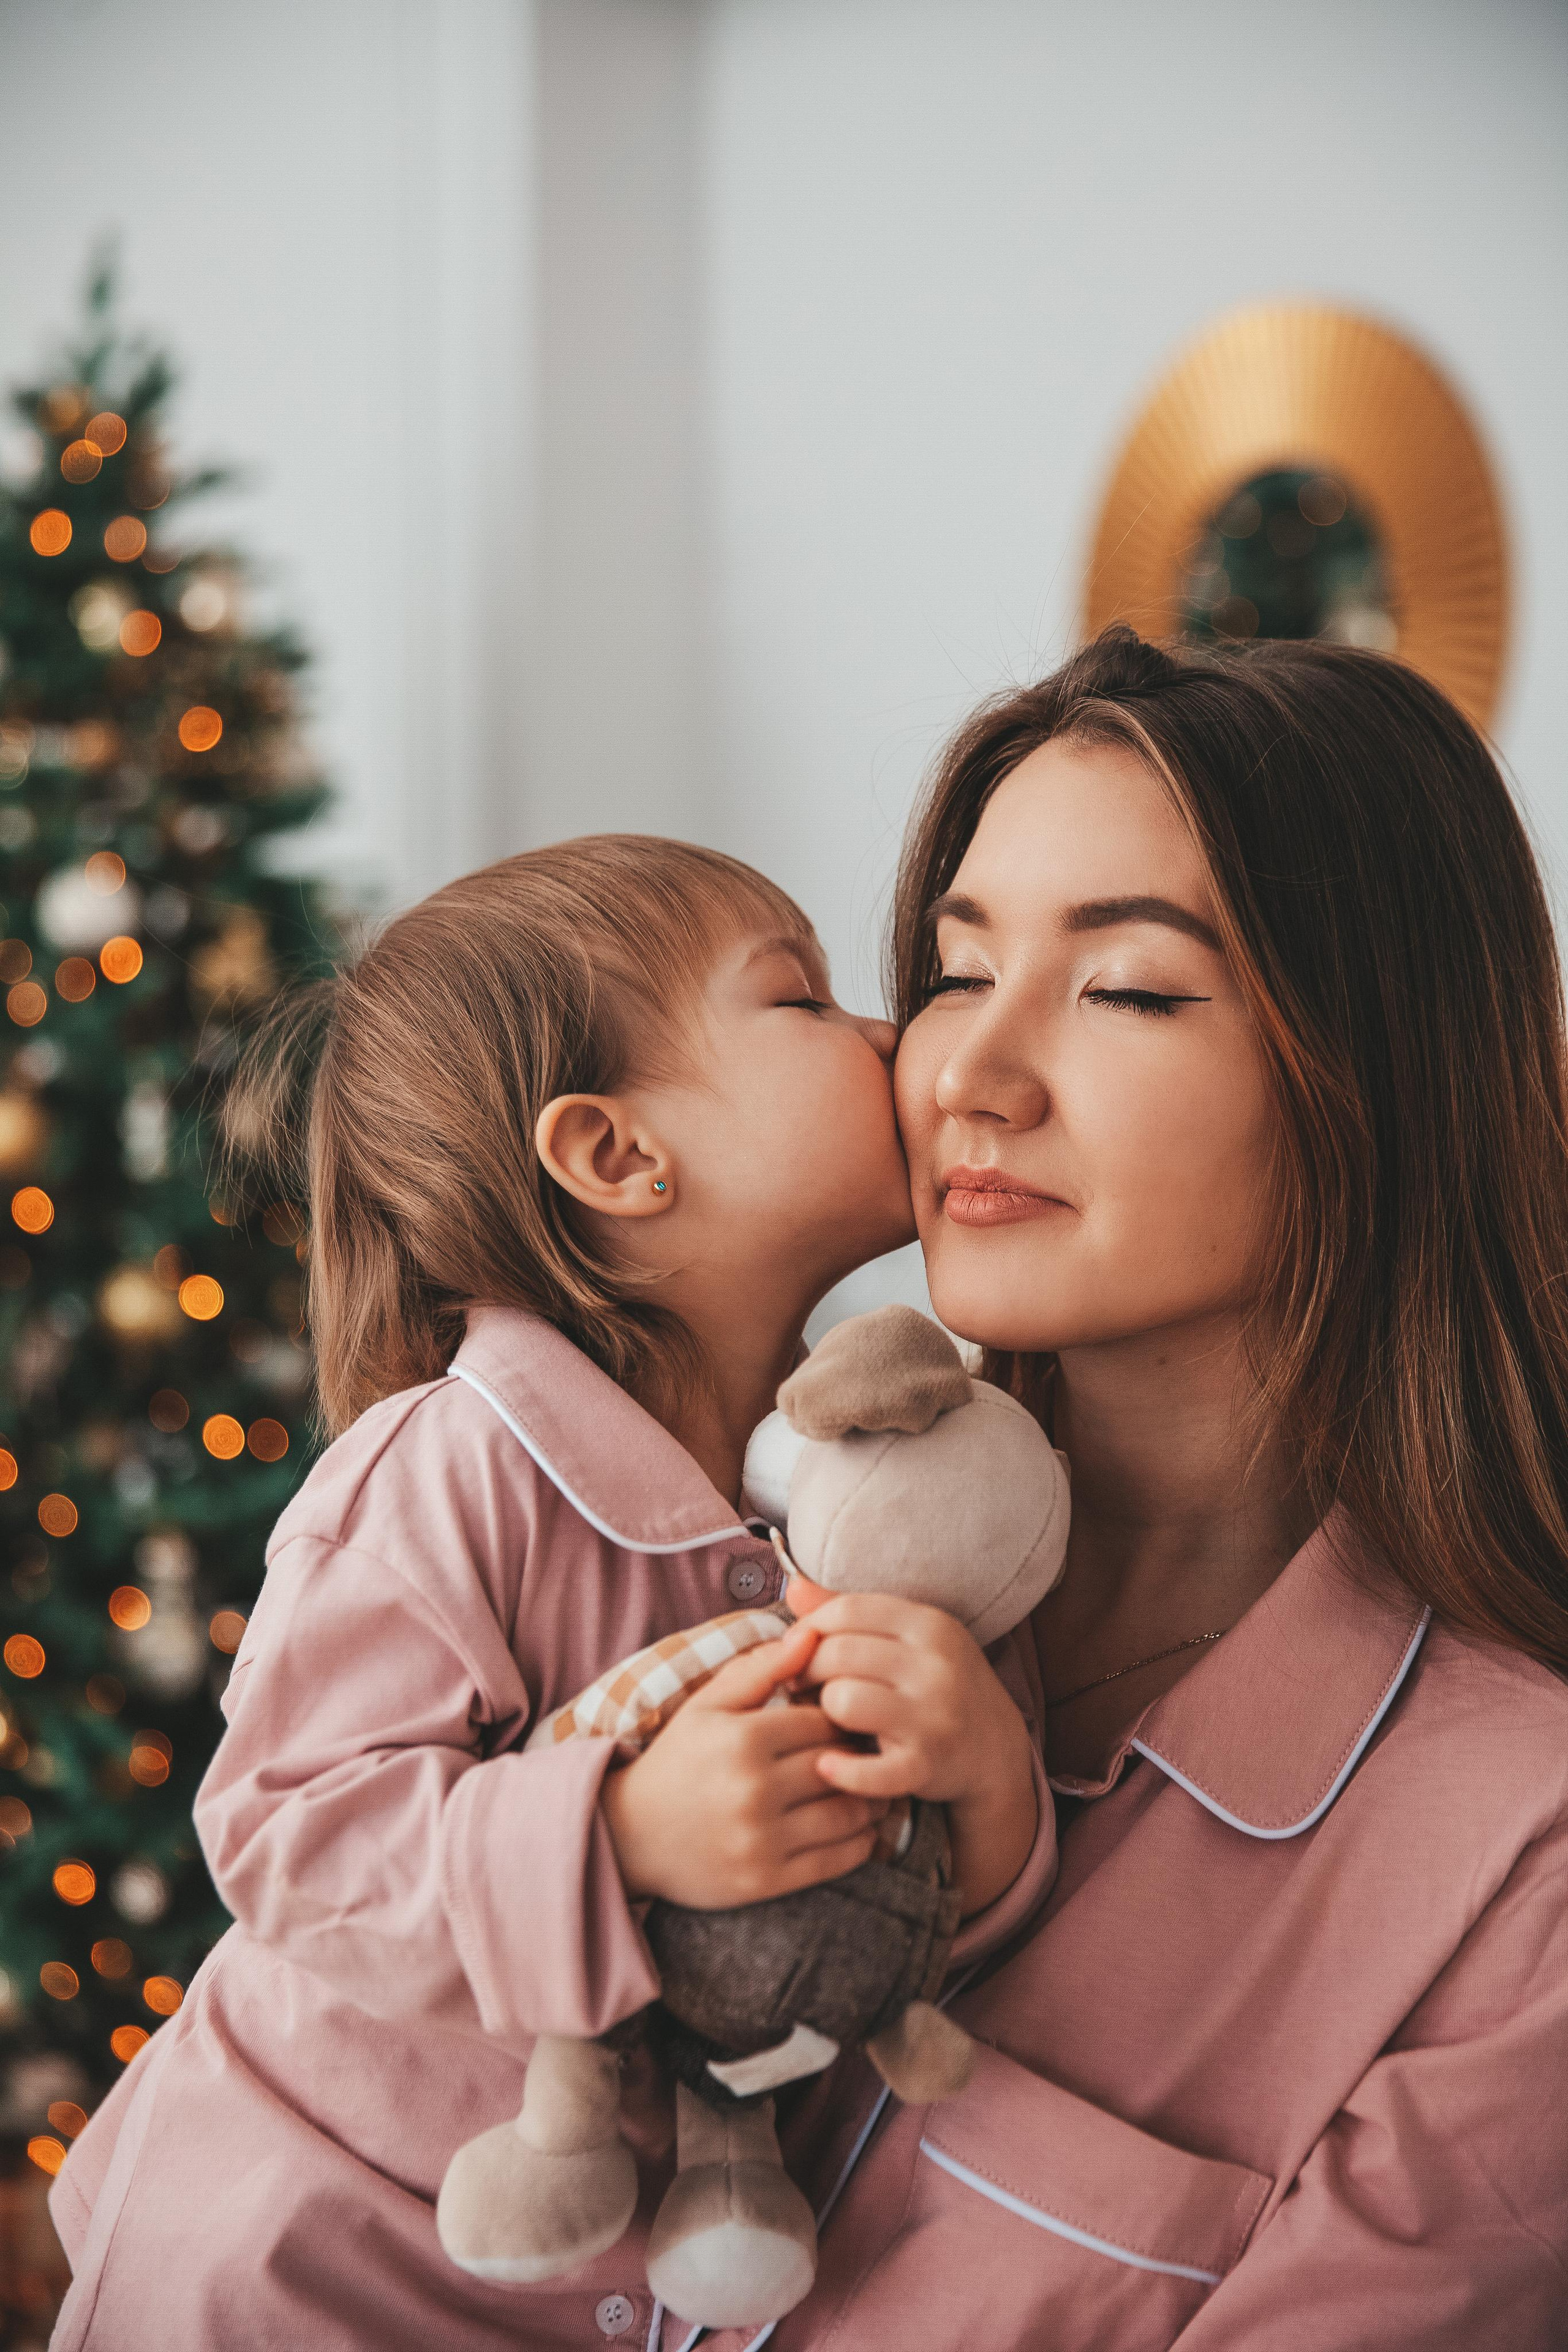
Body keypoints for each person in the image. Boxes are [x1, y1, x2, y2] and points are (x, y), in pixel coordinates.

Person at [46, 838, 1050, 2352]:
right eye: (804, 1001)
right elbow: (289, 1836)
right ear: (615, 1157)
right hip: (287, 2258)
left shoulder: (846, 1487)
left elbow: (881, 1927)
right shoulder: (445, 1469)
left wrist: (986, 1789)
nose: (891, 1040)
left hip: (571, 2289)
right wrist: (621, 1832)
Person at [772, 629, 1568, 2351]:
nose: (973, 1078)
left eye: (1127, 989)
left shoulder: (1523, 1875)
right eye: (958, 971)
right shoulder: (735, 1566)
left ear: (1381, 1074)